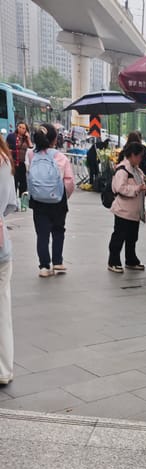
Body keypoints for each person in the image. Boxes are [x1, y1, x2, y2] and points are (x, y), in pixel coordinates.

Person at [27, 123, 75, 277]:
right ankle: (57, 262)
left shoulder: (31, 155)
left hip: (38, 200)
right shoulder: (60, 157)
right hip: (58, 201)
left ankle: (44, 266)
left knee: (42, 234)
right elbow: (69, 181)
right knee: (58, 231)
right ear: (55, 139)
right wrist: (63, 195)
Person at [107, 141, 146, 273]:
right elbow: (120, 188)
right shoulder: (123, 170)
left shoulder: (136, 170)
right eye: (139, 156)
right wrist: (137, 188)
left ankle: (131, 259)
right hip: (123, 210)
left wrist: (143, 187)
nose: (141, 159)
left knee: (132, 237)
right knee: (119, 237)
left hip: (134, 212)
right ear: (132, 155)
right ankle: (113, 261)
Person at [0, 134, 18, 385]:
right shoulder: (4, 161)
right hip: (0, 246)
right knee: (2, 306)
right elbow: (11, 204)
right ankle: (3, 370)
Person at [6, 121, 32, 197]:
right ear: (17, 127)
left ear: (26, 130)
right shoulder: (11, 136)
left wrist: (28, 138)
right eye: (20, 127)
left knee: (23, 184)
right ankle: (14, 202)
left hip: (23, 164)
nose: (21, 129)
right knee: (13, 183)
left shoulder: (26, 139)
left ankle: (22, 202)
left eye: (23, 128)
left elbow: (31, 148)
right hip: (13, 163)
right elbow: (6, 147)